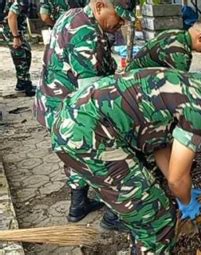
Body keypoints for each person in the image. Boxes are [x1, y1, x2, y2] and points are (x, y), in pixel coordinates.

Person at [51, 67, 201, 253]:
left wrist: (184, 191)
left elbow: (160, 146)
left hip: (73, 121)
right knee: (156, 218)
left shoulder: (192, 84)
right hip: (88, 134)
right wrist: (187, 200)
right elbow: (177, 180)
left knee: (145, 204)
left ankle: (140, 241)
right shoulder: (199, 106)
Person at [33, 0, 136, 230]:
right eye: (118, 15)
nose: (121, 22)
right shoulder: (88, 33)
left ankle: (78, 205)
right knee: (106, 151)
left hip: (51, 104)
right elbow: (92, 97)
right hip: (69, 110)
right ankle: (114, 216)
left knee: (75, 154)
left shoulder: (74, 15)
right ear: (100, 6)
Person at [126, 15, 201, 72]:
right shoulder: (180, 53)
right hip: (132, 87)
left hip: (132, 77)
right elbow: (181, 87)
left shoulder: (176, 33)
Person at [3, 0, 35, 96]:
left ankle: (22, 83)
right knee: (21, 58)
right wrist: (16, 37)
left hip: (17, 30)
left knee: (26, 54)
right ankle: (25, 85)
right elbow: (11, 16)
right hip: (13, 31)